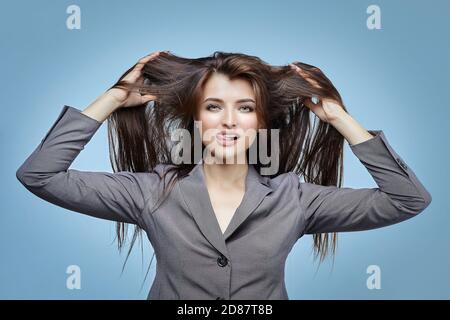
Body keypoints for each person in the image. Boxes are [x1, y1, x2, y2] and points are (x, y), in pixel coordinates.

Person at [16, 50, 432, 299]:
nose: (229, 121)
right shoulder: (152, 192)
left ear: (262, 122)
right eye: (214, 106)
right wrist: (113, 97)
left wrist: (339, 117)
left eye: (246, 108)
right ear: (194, 119)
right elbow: (41, 175)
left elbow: (407, 200)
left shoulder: (296, 198)